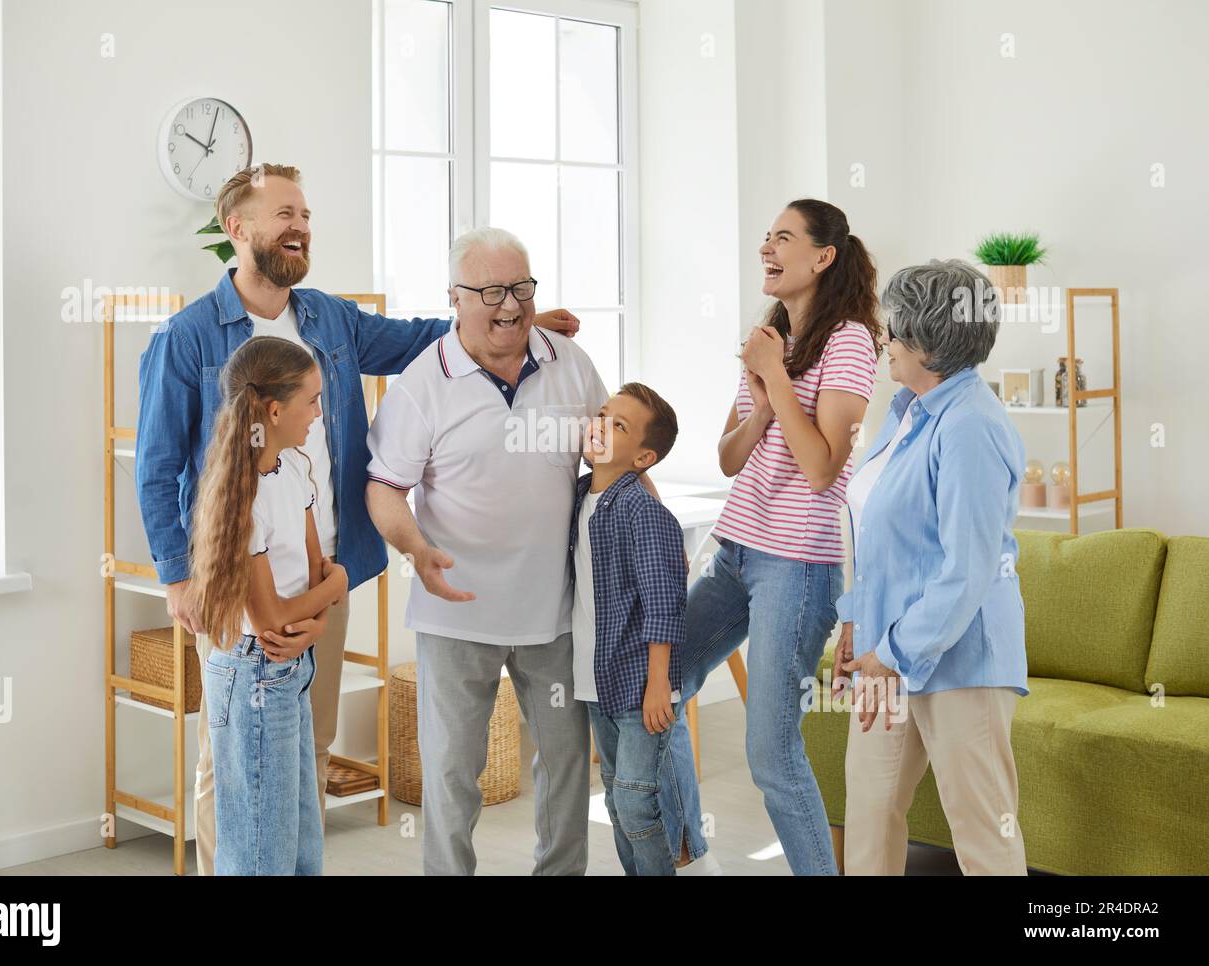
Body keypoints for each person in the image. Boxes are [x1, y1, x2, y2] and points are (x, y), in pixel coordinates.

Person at [135, 163, 579, 875]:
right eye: (284, 214)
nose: (300, 226)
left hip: (327, 570)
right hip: (235, 585)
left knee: (308, 739)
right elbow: (156, 468)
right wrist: (177, 578)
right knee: (235, 753)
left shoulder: (328, 318)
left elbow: (415, 340)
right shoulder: (187, 337)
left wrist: (503, 317)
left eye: (305, 215)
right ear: (237, 229)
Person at [365, 227, 608, 875]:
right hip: (455, 614)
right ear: (455, 298)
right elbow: (384, 488)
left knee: (566, 764)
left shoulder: (570, 363)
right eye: (492, 291)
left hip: (551, 610)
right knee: (451, 772)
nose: (512, 305)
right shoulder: (422, 382)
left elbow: (611, 459)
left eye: (523, 288)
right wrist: (417, 547)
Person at [659, 199, 883, 875]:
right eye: (765, 237)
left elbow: (820, 469)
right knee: (659, 682)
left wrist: (778, 377)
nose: (766, 247)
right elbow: (730, 457)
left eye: (782, 237)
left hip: (800, 566)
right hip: (738, 550)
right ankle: (683, 845)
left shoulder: (850, 343)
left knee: (771, 755)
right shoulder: (767, 329)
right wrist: (760, 404)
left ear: (822, 258)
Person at [833, 259, 1029, 875]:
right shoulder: (907, 408)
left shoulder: (970, 424)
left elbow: (968, 569)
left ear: (929, 340)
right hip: (884, 652)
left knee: (982, 833)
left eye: (892, 330)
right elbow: (881, 540)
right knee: (869, 816)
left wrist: (890, 653)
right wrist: (855, 627)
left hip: (961, 659)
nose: (882, 340)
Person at [187, 336, 349, 875]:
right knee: (262, 855)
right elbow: (272, 616)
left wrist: (319, 615)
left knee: (302, 848)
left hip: (292, 666)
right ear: (275, 410)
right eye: (312, 400)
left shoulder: (297, 469)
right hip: (256, 674)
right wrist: (336, 587)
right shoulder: (244, 496)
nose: (319, 413)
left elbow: (313, 572)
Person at [571, 383, 687, 876]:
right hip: (596, 680)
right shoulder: (579, 497)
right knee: (618, 802)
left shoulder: (644, 513)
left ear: (643, 457)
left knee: (636, 802)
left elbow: (664, 604)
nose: (600, 425)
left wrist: (659, 683)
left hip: (641, 684)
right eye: (601, 414)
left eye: (617, 426)